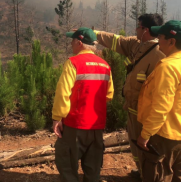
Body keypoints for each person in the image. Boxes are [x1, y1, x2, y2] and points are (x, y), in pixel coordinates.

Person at [92, 13, 165, 178]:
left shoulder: (160, 54)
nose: (136, 29)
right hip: (132, 110)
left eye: (138, 26)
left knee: (147, 149)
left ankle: (151, 176)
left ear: (145, 30)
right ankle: (141, 172)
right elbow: (116, 40)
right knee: (135, 146)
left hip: (145, 115)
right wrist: (94, 34)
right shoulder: (137, 44)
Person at [137, 20, 181, 182]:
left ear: (171, 41)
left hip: (164, 136)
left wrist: (145, 135)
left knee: (158, 175)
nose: (158, 40)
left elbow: (160, 108)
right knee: (180, 174)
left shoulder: (168, 67)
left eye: (160, 36)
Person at [52, 27, 114, 182]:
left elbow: (63, 93)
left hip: (75, 124)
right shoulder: (105, 66)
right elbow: (109, 95)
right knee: (93, 169)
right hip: (97, 125)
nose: (71, 44)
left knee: (67, 164)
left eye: (72, 41)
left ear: (79, 42)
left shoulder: (73, 63)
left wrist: (57, 118)